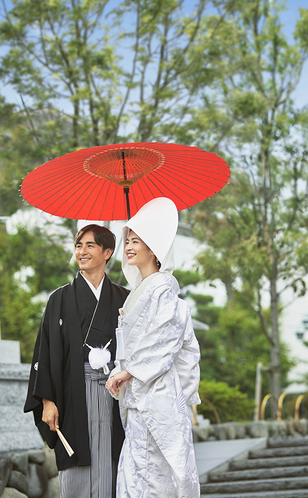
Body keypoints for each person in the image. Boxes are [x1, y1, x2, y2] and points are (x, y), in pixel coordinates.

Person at [24, 224, 129, 498]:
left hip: (115, 391)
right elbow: (44, 352)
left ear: (108, 252)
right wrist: (47, 401)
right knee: (76, 460)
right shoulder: (59, 298)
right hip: (73, 393)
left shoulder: (125, 299)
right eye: (78, 245)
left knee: (113, 459)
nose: (81, 252)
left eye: (89, 246)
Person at [105, 198, 201, 498]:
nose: (129, 246)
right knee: (135, 472)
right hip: (137, 394)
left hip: (157, 391)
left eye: (137, 240)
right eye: (128, 240)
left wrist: (129, 371)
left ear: (154, 247)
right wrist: (124, 371)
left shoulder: (163, 290)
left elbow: (165, 339)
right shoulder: (139, 292)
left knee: (159, 474)